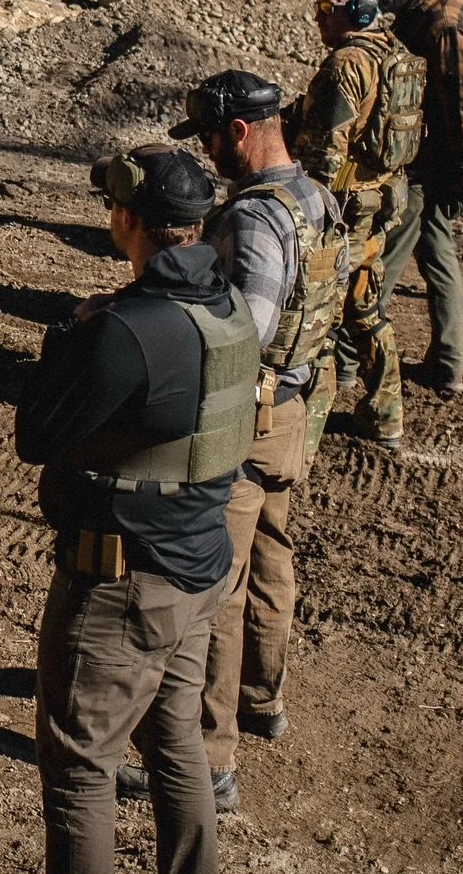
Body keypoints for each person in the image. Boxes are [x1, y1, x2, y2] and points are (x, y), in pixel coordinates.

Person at [0, 146, 258, 874]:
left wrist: (70, 334)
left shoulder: (129, 330)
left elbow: (37, 430)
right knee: (177, 739)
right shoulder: (227, 305)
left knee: (81, 762)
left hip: (122, 582)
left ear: (128, 222)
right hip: (198, 567)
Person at [116, 74, 344, 813]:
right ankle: (262, 698)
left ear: (239, 131)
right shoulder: (313, 195)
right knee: (275, 557)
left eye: (210, 138)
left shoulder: (251, 219)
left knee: (220, 585)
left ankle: (208, 756)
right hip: (300, 404)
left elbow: (246, 326)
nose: (207, 155)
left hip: (254, 415)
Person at [287, 0, 424, 454]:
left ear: (355, 8)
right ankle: (386, 415)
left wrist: (299, 207)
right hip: (380, 203)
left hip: (342, 208)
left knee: (318, 314)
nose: (318, 19)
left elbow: (324, 154)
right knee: (365, 308)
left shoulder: (346, 64)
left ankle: (303, 432)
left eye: (326, 9)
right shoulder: (395, 52)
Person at [379, 0, 463, 398]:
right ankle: (448, 363)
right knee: (438, 256)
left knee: (382, 260)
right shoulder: (430, 7)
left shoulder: (446, 20)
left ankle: (346, 358)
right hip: (425, 159)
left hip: (426, 166)